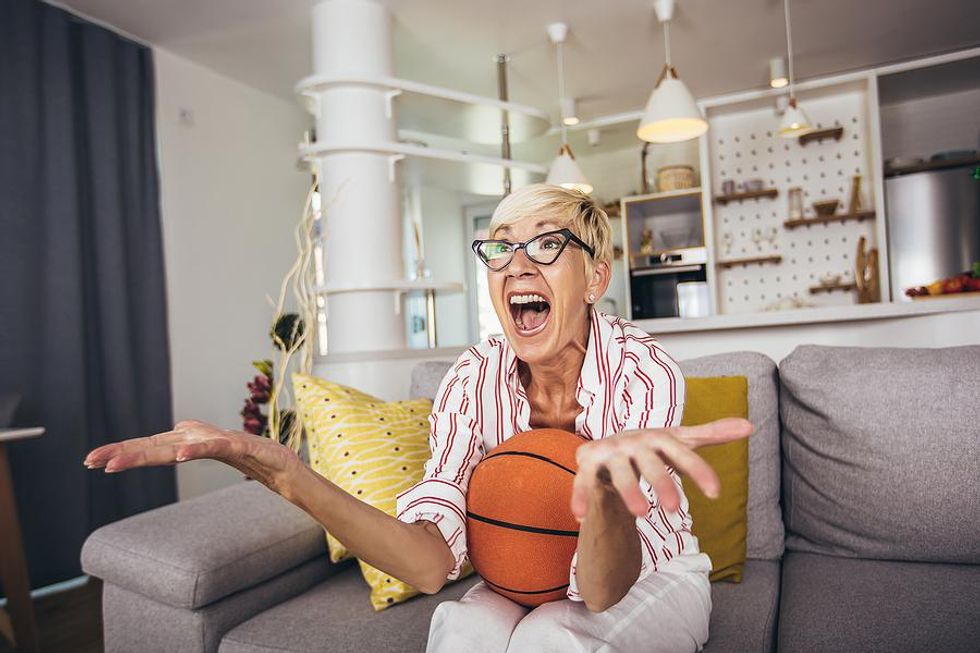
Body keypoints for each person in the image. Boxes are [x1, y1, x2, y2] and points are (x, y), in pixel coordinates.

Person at [84, 184, 753, 652]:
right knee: (463, 632)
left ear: (597, 277)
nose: (516, 262)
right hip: (519, 576)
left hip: (652, 578)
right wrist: (288, 473)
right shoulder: (471, 379)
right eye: (499, 247)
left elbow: (603, 590)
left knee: (553, 638)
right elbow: (432, 566)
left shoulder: (644, 372)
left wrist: (604, 492)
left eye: (547, 245)